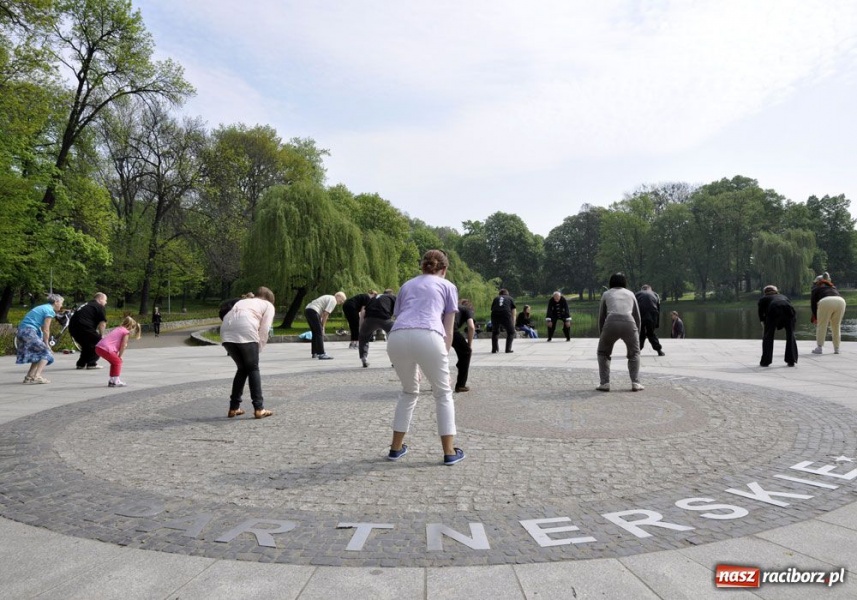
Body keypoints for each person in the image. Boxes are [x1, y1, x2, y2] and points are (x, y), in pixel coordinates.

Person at [385, 249, 465, 465]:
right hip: (429, 335)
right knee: (442, 394)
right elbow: (448, 329)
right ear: (445, 269)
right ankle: (449, 452)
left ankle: (396, 448)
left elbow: (401, 315)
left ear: (422, 266)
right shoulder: (448, 286)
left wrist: (417, 361)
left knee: (409, 392)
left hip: (397, 337)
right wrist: (443, 363)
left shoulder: (406, 285)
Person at [220, 287, 277, 418]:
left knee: (242, 369)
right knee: (253, 369)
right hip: (246, 330)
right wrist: (259, 347)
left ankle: (234, 408)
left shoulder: (243, 301)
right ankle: (259, 408)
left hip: (226, 332)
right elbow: (265, 328)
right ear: (269, 299)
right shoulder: (268, 305)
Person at [596, 273, 643, 392]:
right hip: (629, 321)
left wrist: (601, 334)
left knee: (603, 353)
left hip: (611, 321)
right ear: (624, 282)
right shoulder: (630, 293)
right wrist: (637, 333)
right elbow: (637, 316)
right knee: (634, 353)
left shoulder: (606, 294)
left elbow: (601, 316)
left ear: (611, 282)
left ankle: (605, 383)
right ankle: (635, 382)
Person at [16, 293, 64, 384]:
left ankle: (29, 376)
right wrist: (47, 344)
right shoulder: (49, 310)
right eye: (61, 303)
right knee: (46, 353)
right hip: (29, 332)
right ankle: (37, 377)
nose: (61, 305)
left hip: (23, 331)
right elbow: (46, 329)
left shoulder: (43, 307)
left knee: (38, 354)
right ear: (56, 302)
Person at [95, 315, 142, 387]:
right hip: (105, 348)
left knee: (114, 362)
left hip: (98, 347)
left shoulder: (118, 328)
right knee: (118, 361)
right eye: (132, 329)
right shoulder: (126, 332)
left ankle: (112, 380)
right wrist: (120, 356)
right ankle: (116, 381)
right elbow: (123, 345)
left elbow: (113, 341)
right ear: (130, 326)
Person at [758, 285, 798, 367]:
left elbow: (761, 314)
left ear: (765, 293)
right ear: (776, 291)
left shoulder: (763, 299)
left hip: (774, 309)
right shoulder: (783, 296)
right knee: (790, 335)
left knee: (768, 336)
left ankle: (766, 361)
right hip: (789, 310)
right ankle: (791, 360)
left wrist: (764, 325)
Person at [69, 292, 108, 369]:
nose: (106, 303)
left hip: (73, 328)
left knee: (87, 345)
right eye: (105, 300)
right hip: (84, 327)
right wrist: (101, 335)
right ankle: (91, 363)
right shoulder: (99, 306)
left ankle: (81, 364)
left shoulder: (86, 304)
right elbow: (102, 323)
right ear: (100, 299)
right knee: (99, 343)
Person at [358, 288, 396, 368]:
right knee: (394, 337)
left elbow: (364, 311)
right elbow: (397, 312)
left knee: (363, 337)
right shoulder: (392, 297)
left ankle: (364, 358)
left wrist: (361, 326)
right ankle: (395, 360)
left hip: (369, 318)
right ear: (391, 293)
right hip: (384, 318)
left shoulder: (374, 298)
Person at [810, 272, 846, 355]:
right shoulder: (833, 287)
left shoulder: (816, 289)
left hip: (825, 301)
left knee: (822, 325)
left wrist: (815, 317)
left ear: (817, 282)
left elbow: (813, 304)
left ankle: (819, 348)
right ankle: (837, 349)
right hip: (841, 301)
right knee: (836, 326)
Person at [304, 291, 346, 360]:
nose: (342, 302)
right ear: (338, 296)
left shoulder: (328, 297)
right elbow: (326, 314)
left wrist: (321, 324)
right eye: (342, 300)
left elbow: (322, 313)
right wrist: (323, 326)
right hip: (313, 311)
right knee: (319, 332)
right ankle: (321, 353)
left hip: (308, 310)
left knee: (315, 332)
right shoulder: (333, 300)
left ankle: (315, 353)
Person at [451, 298, 476, 392]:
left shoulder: (451, 306)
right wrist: (469, 345)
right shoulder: (467, 309)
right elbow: (471, 327)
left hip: (437, 329)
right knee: (466, 352)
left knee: (439, 355)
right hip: (451, 330)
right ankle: (461, 385)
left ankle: (436, 384)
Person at [635, 284, 665, 356]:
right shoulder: (655, 294)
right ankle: (659, 350)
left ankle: (637, 350)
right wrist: (656, 324)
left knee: (641, 333)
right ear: (650, 289)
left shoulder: (637, 294)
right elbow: (658, 309)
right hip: (652, 314)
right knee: (651, 333)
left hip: (641, 314)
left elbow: (633, 308)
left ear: (642, 289)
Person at [490, 288, 517, 354]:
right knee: (511, 332)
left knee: (495, 332)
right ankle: (508, 349)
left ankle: (494, 349)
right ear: (507, 293)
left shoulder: (496, 298)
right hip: (505, 314)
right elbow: (513, 313)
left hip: (495, 314)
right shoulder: (510, 298)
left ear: (499, 294)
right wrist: (513, 325)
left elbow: (492, 309)